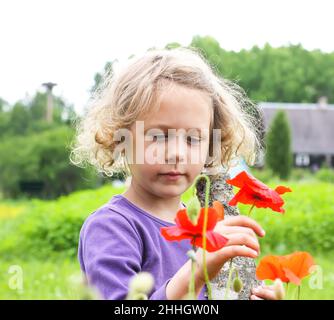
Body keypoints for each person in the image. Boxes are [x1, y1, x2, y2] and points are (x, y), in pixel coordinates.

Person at [70, 47, 279, 300]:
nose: (177, 153)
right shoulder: (111, 228)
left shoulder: (206, 228)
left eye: (193, 138)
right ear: (120, 139)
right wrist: (195, 273)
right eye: (159, 136)